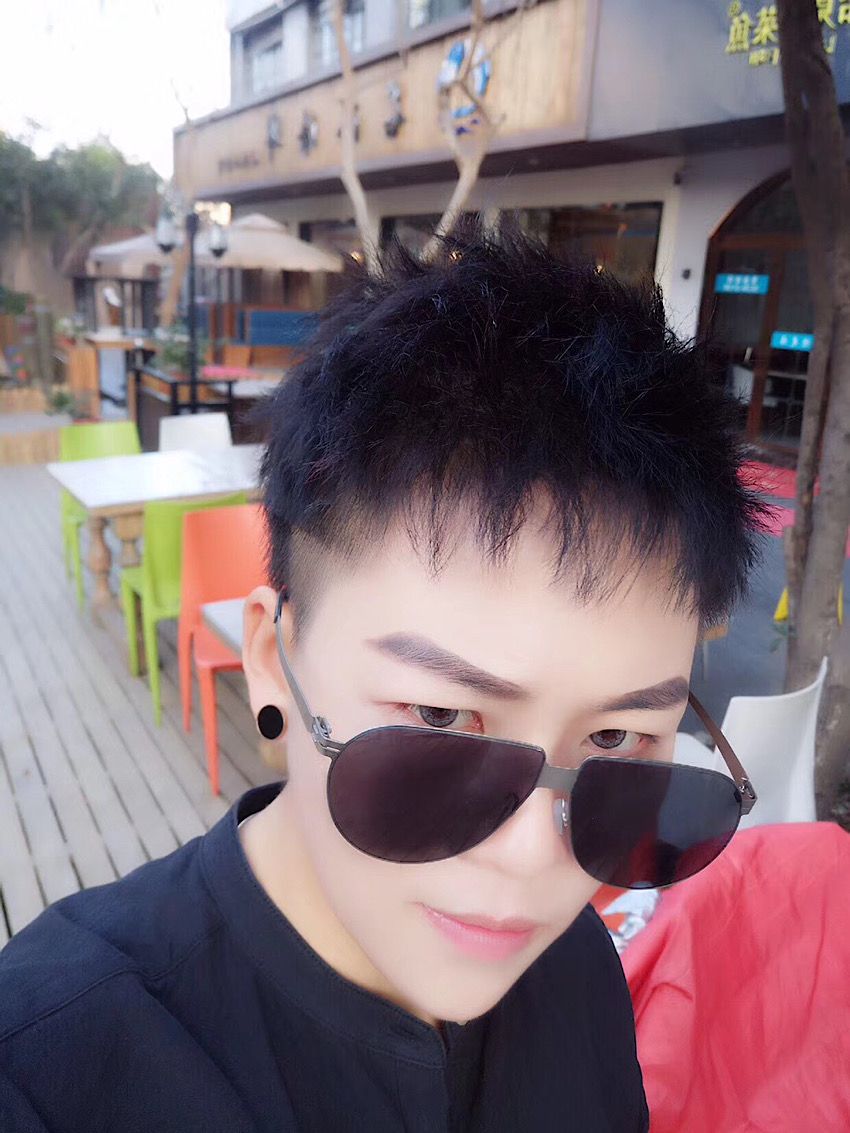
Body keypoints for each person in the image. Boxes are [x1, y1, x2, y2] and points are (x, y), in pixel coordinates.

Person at [0, 226, 765, 1132]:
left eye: (614, 739)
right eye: (441, 716)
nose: (534, 858)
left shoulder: (578, 966)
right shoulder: (49, 1070)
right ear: (271, 662)